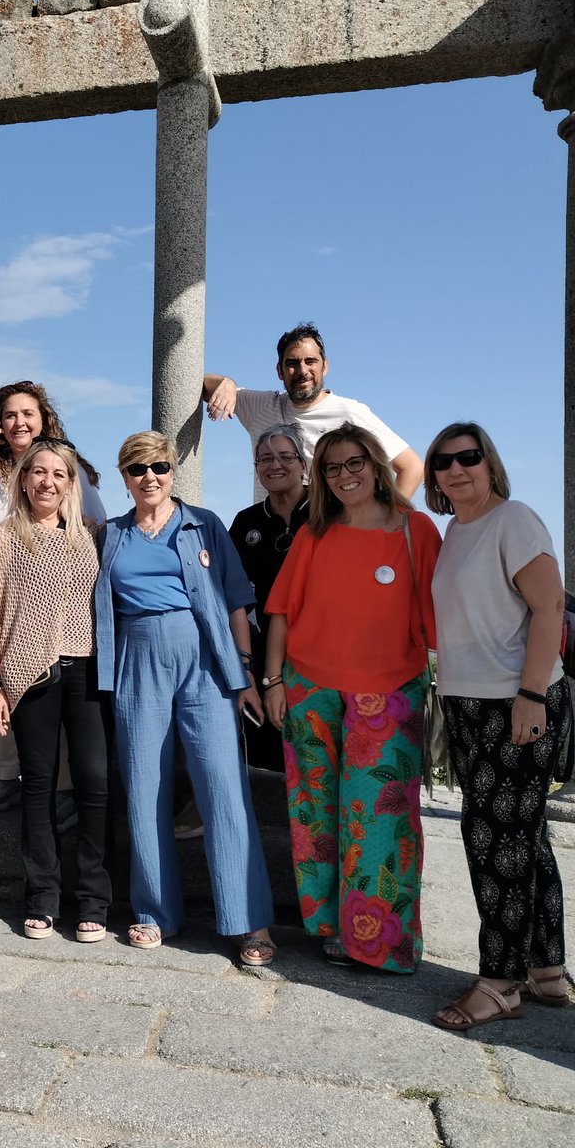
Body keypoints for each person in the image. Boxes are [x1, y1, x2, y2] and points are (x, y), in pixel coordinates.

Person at [93, 431, 276, 965]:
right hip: (136, 660)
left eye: (160, 466)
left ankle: (249, 920)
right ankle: (154, 912)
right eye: (137, 468)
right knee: (144, 787)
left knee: (223, 787)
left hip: (205, 664)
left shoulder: (205, 524)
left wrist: (243, 670)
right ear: (124, 477)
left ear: (173, 471)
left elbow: (238, 599)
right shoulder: (111, 535)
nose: (150, 476)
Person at [263, 422, 439, 972]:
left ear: (377, 464)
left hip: (389, 695)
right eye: (332, 467)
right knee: (315, 816)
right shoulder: (316, 532)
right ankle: (333, 929)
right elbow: (282, 612)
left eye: (355, 463)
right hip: (310, 688)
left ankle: (383, 943)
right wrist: (273, 682)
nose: (344, 476)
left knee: (380, 820)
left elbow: (444, 618)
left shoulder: (417, 530)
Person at [424, 423, 571, 1030]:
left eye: (469, 457)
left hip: (517, 701)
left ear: (490, 464)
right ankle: (547, 970)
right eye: (444, 461)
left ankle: (500, 981)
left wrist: (532, 695)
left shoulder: (514, 520)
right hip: (468, 704)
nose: (457, 469)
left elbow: (550, 606)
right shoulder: (455, 531)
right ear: (433, 476)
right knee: (525, 836)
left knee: (494, 843)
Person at [0, 438, 112, 942]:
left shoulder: (89, 537)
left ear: (71, 483)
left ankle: (94, 898)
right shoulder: (5, 537)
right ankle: (43, 896)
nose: (47, 481)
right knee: (39, 786)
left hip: (88, 671)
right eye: (38, 472)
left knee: (95, 783)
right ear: (23, 480)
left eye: (58, 473)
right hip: (29, 674)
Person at [0, 379, 105, 812]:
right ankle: (5, 774)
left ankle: (62, 786)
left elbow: (93, 526)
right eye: (9, 414)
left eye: (27, 413)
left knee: (59, 693)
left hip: (54, 589)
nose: (18, 421)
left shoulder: (68, 466)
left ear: (43, 419)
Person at [202, 322, 424, 502]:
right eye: (292, 363)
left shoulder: (350, 412)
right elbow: (196, 384)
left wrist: (385, 520)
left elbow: (412, 467)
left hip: (329, 537)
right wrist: (227, 383)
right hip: (270, 538)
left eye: (310, 361)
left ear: (324, 366)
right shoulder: (262, 406)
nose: (302, 371)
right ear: (279, 371)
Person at [228, 424, 310, 772]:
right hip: (262, 653)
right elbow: (231, 593)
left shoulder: (328, 513)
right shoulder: (246, 522)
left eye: (285, 456)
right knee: (264, 753)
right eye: (265, 458)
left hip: (316, 651)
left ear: (303, 463)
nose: (275, 464)